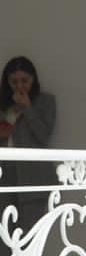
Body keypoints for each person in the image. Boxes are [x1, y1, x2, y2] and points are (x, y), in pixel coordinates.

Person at [1, 57, 58, 230]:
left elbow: (43, 136)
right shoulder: (3, 104)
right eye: (14, 81)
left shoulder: (46, 102)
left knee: (29, 234)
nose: (19, 86)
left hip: (33, 175)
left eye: (24, 80)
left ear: (33, 79)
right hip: (4, 173)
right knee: (4, 234)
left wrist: (27, 108)